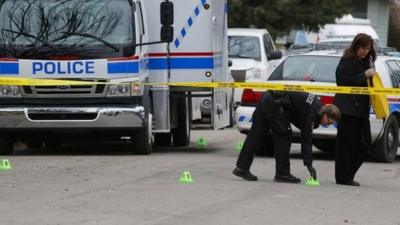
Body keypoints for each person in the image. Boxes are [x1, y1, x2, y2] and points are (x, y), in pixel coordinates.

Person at [233, 91, 341, 183]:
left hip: (267, 97)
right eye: (329, 122)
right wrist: (309, 164)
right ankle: (282, 173)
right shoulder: (311, 114)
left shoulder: (317, 105)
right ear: (325, 113)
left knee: (256, 135)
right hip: (275, 104)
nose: (327, 125)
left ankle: (241, 167)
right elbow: (306, 138)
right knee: (284, 135)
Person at [334, 33, 376, 186]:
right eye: (363, 47)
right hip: (347, 109)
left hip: (361, 110)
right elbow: (342, 81)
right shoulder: (347, 61)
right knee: (346, 145)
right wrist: (363, 75)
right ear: (356, 46)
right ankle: (343, 177)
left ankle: (348, 174)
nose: (365, 51)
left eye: (368, 48)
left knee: (365, 144)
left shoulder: (367, 62)